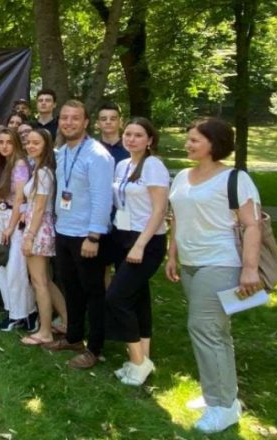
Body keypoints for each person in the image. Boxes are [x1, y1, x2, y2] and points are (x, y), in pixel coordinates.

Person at [166, 118, 262, 433]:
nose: (188, 144)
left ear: (214, 144)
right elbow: (176, 217)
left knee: (204, 328)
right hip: (190, 263)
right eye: (188, 139)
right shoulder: (182, 176)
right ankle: (220, 395)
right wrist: (172, 255)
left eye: (195, 140)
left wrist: (249, 269)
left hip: (221, 263)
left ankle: (222, 407)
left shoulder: (235, 179)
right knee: (216, 332)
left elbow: (252, 225)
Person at [45, 100, 114, 369]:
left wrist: (94, 236)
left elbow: (102, 198)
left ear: (86, 122)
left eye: (75, 118)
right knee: (71, 288)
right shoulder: (62, 152)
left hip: (87, 235)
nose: (69, 123)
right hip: (64, 230)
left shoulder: (97, 155)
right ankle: (74, 337)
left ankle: (94, 348)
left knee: (93, 292)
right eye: (64, 118)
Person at [105, 118, 169, 386]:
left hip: (146, 240)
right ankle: (143, 357)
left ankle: (138, 362)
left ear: (150, 140)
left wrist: (140, 245)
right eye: (128, 134)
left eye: (138, 135)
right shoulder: (123, 165)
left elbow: (160, 210)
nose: (131, 139)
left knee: (117, 297)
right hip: (123, 235)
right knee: (138, 296)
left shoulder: (153, 166)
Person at [20, 129, 68, 346]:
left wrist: (29, 236)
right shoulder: (39, 169)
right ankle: (67, 320)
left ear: (46, 146)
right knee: (45, 280)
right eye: (28, 142)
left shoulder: (43, 173)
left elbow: (40, 208)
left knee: (38, 281)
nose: (30, 146)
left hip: (38, 229)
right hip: (38, 225)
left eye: (36, 143)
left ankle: (45, 331)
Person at [0, 128, 36, 332]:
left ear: (16, 143)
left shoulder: (19, 164)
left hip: (15, 218)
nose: (4, 146)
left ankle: (23, 314)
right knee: (1, 264)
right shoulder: (2, 163)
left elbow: (20, 197)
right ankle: (12, 309)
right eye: (1, 142)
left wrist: (10, 227)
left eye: (9, 142)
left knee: (15, 269)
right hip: (2, 215)